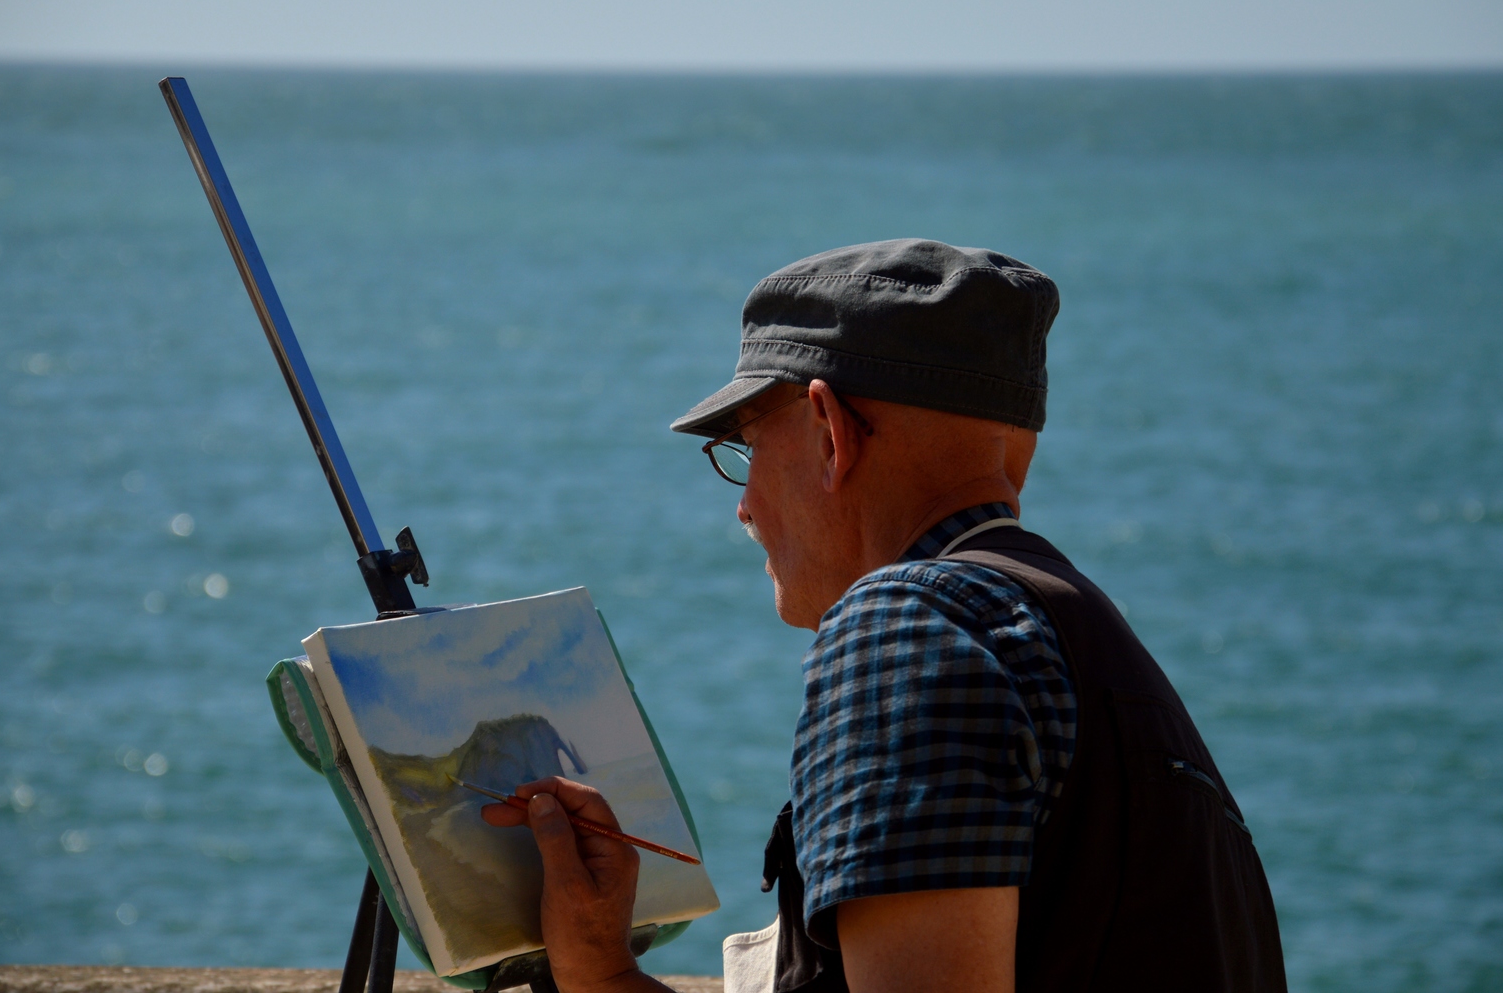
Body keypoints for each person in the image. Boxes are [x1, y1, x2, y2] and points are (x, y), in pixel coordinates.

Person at [482, 239, 1287, 993]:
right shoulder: (1084, 636)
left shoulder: (907, 629)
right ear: (1017, 452)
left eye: (744, 447)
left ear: (831, 434)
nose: (744, 510)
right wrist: (602, 971)